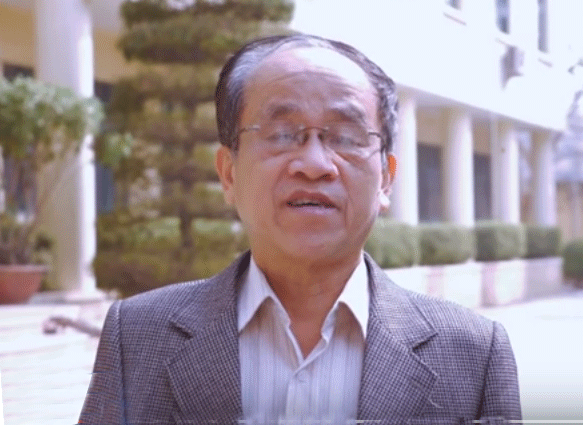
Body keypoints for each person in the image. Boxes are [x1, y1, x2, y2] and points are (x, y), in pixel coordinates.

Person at [79, 34, 521, 424]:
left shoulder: (474, 354)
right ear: (229, 173)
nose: (314, 164)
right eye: (281, 134)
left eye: (345, 137)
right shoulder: (137, 337)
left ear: (386, 179)